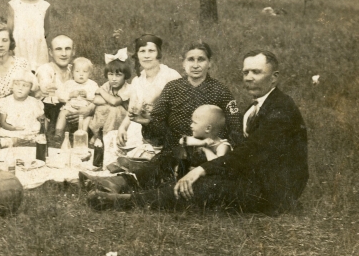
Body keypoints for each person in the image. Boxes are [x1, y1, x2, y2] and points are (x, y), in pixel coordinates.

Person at [85, 50, 309, 216]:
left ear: (274, 77)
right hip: (250, 171)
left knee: (203, 185)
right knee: (177, 152)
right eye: (246, 72)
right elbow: (240, 146)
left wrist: (204, 167)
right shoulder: (254, 106)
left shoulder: (280, 109)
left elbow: (249, 151)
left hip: (272, 190)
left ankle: (126, 202)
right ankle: (121, 182)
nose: (249, 77)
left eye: (257, 72)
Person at [80, 41, 242, 198]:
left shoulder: (220, 91)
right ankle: (113, 183)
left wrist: (223, 153)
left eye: (201, 59)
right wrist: (147, 122)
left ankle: (126, 189)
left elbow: (235, 127)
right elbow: (157, 130)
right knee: (157, 166)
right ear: (183, 63)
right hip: (175, 148)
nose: (195, 64)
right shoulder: (172, 88)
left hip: (206, 152)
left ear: (210, 63)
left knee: (165, 173)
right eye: (190, 59)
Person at [117, 35, 181, 152]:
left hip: (165, 132)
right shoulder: (137, 81)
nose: (146, 56)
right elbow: (131, 112)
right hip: (140, 128)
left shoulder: (171, 76)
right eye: (142, 51)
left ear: (158, 54)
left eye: (151, 51)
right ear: (137, 55)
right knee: (112, 141)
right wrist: (122, 128)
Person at [7, 0, 50, 71]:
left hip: (38, 49)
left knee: (40, 75)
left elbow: (46, 30)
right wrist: (10, 48)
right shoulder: (14, 5)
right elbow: (9, 30)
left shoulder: (44, 6)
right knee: (19, 76)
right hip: (19, 47)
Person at [90, 48, 133, 136]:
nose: (114, 79)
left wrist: (102, 91)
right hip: (110, 114)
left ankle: (108, 135)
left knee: (115, 109)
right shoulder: (107, 85)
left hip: (125, 118)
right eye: (110, 74)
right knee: (101, 108)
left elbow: (115, 101)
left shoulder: (128, 88)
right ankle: (97, 135)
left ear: (125, 76)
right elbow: (96, 100)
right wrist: (109, 100)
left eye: (118, 75)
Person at [36, 35, 75, 130]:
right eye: (58, 49)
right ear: (51, 52)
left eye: (68, 49)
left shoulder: (75, 70)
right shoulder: (45, 69)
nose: (64, 53)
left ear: (73, 51)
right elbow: (52, 93)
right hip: (51, 112)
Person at [54, 57, 99, 138]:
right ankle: (58, 132)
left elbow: (96, 97)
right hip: (70, 108)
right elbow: (60, 96)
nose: (81, 74)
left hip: (85, 110)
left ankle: (82, 136)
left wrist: (87, 95)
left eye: (85, 71)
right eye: (77, 71)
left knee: (87, 119)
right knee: (62, 113)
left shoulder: (92, 84)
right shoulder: (69, 84)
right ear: (72, 73)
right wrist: (70, 95)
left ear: (89, 73)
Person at [178, 105, 231, 172]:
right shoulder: (198, 139)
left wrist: (206, 150)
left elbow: (217, 165)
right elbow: (182, 141)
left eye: (195, 123)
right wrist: (202, 143)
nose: (191, 125)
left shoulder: (222, 145)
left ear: (208, 128)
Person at [0, 69, 45, 139]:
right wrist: (13, 128)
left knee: (33, 138)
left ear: (30, 89)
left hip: (30, 132)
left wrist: (43, 132)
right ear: (12, 86)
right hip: (11, 131)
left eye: (25, 86)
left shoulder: (34, 102)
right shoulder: (6, 102)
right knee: (6, 138)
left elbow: (43, 119)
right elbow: (3, 122)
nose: (20, 88)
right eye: (16, 84)